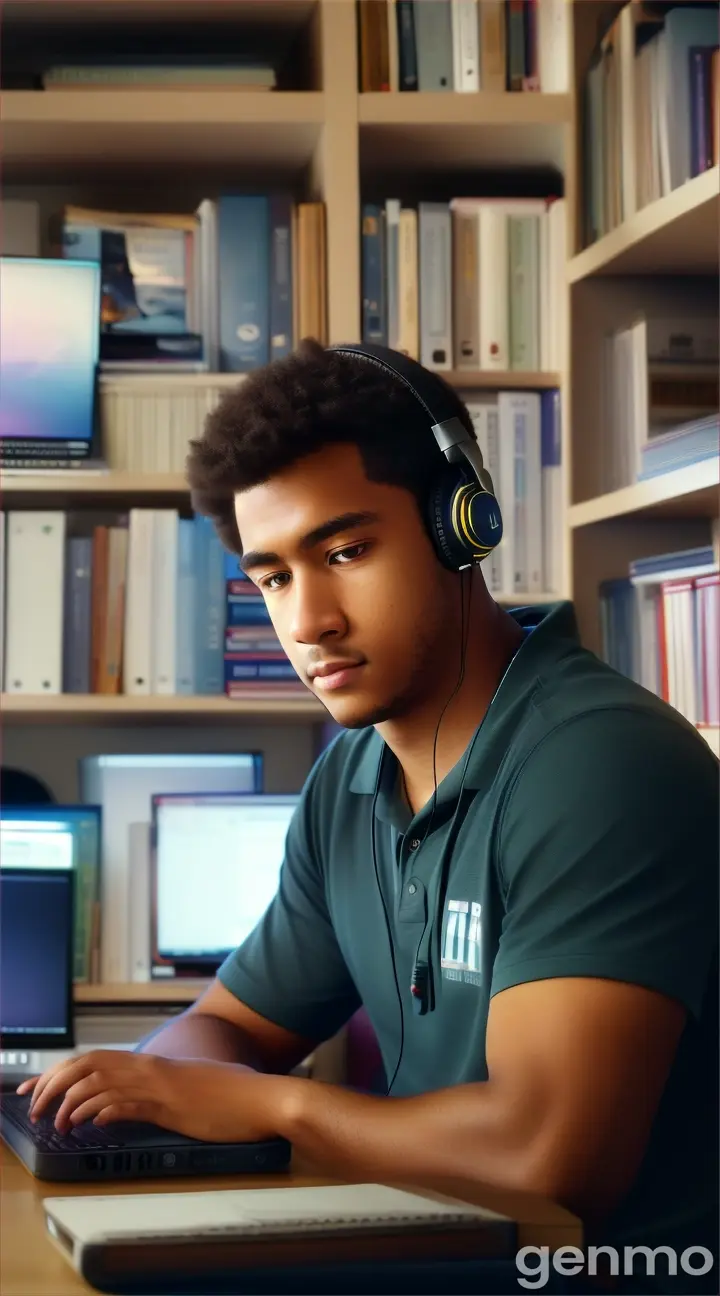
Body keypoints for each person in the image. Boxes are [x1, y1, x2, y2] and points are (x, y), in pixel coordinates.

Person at [21, 342, 718, 1294]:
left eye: (345, 552)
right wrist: (143, 1088)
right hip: (431, 1250)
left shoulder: (599, 765)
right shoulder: (352, 776)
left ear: (459, 524)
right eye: (272, 577)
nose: (308, 621)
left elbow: (553, 1157)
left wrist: (272, 1107)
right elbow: (229, 1022)